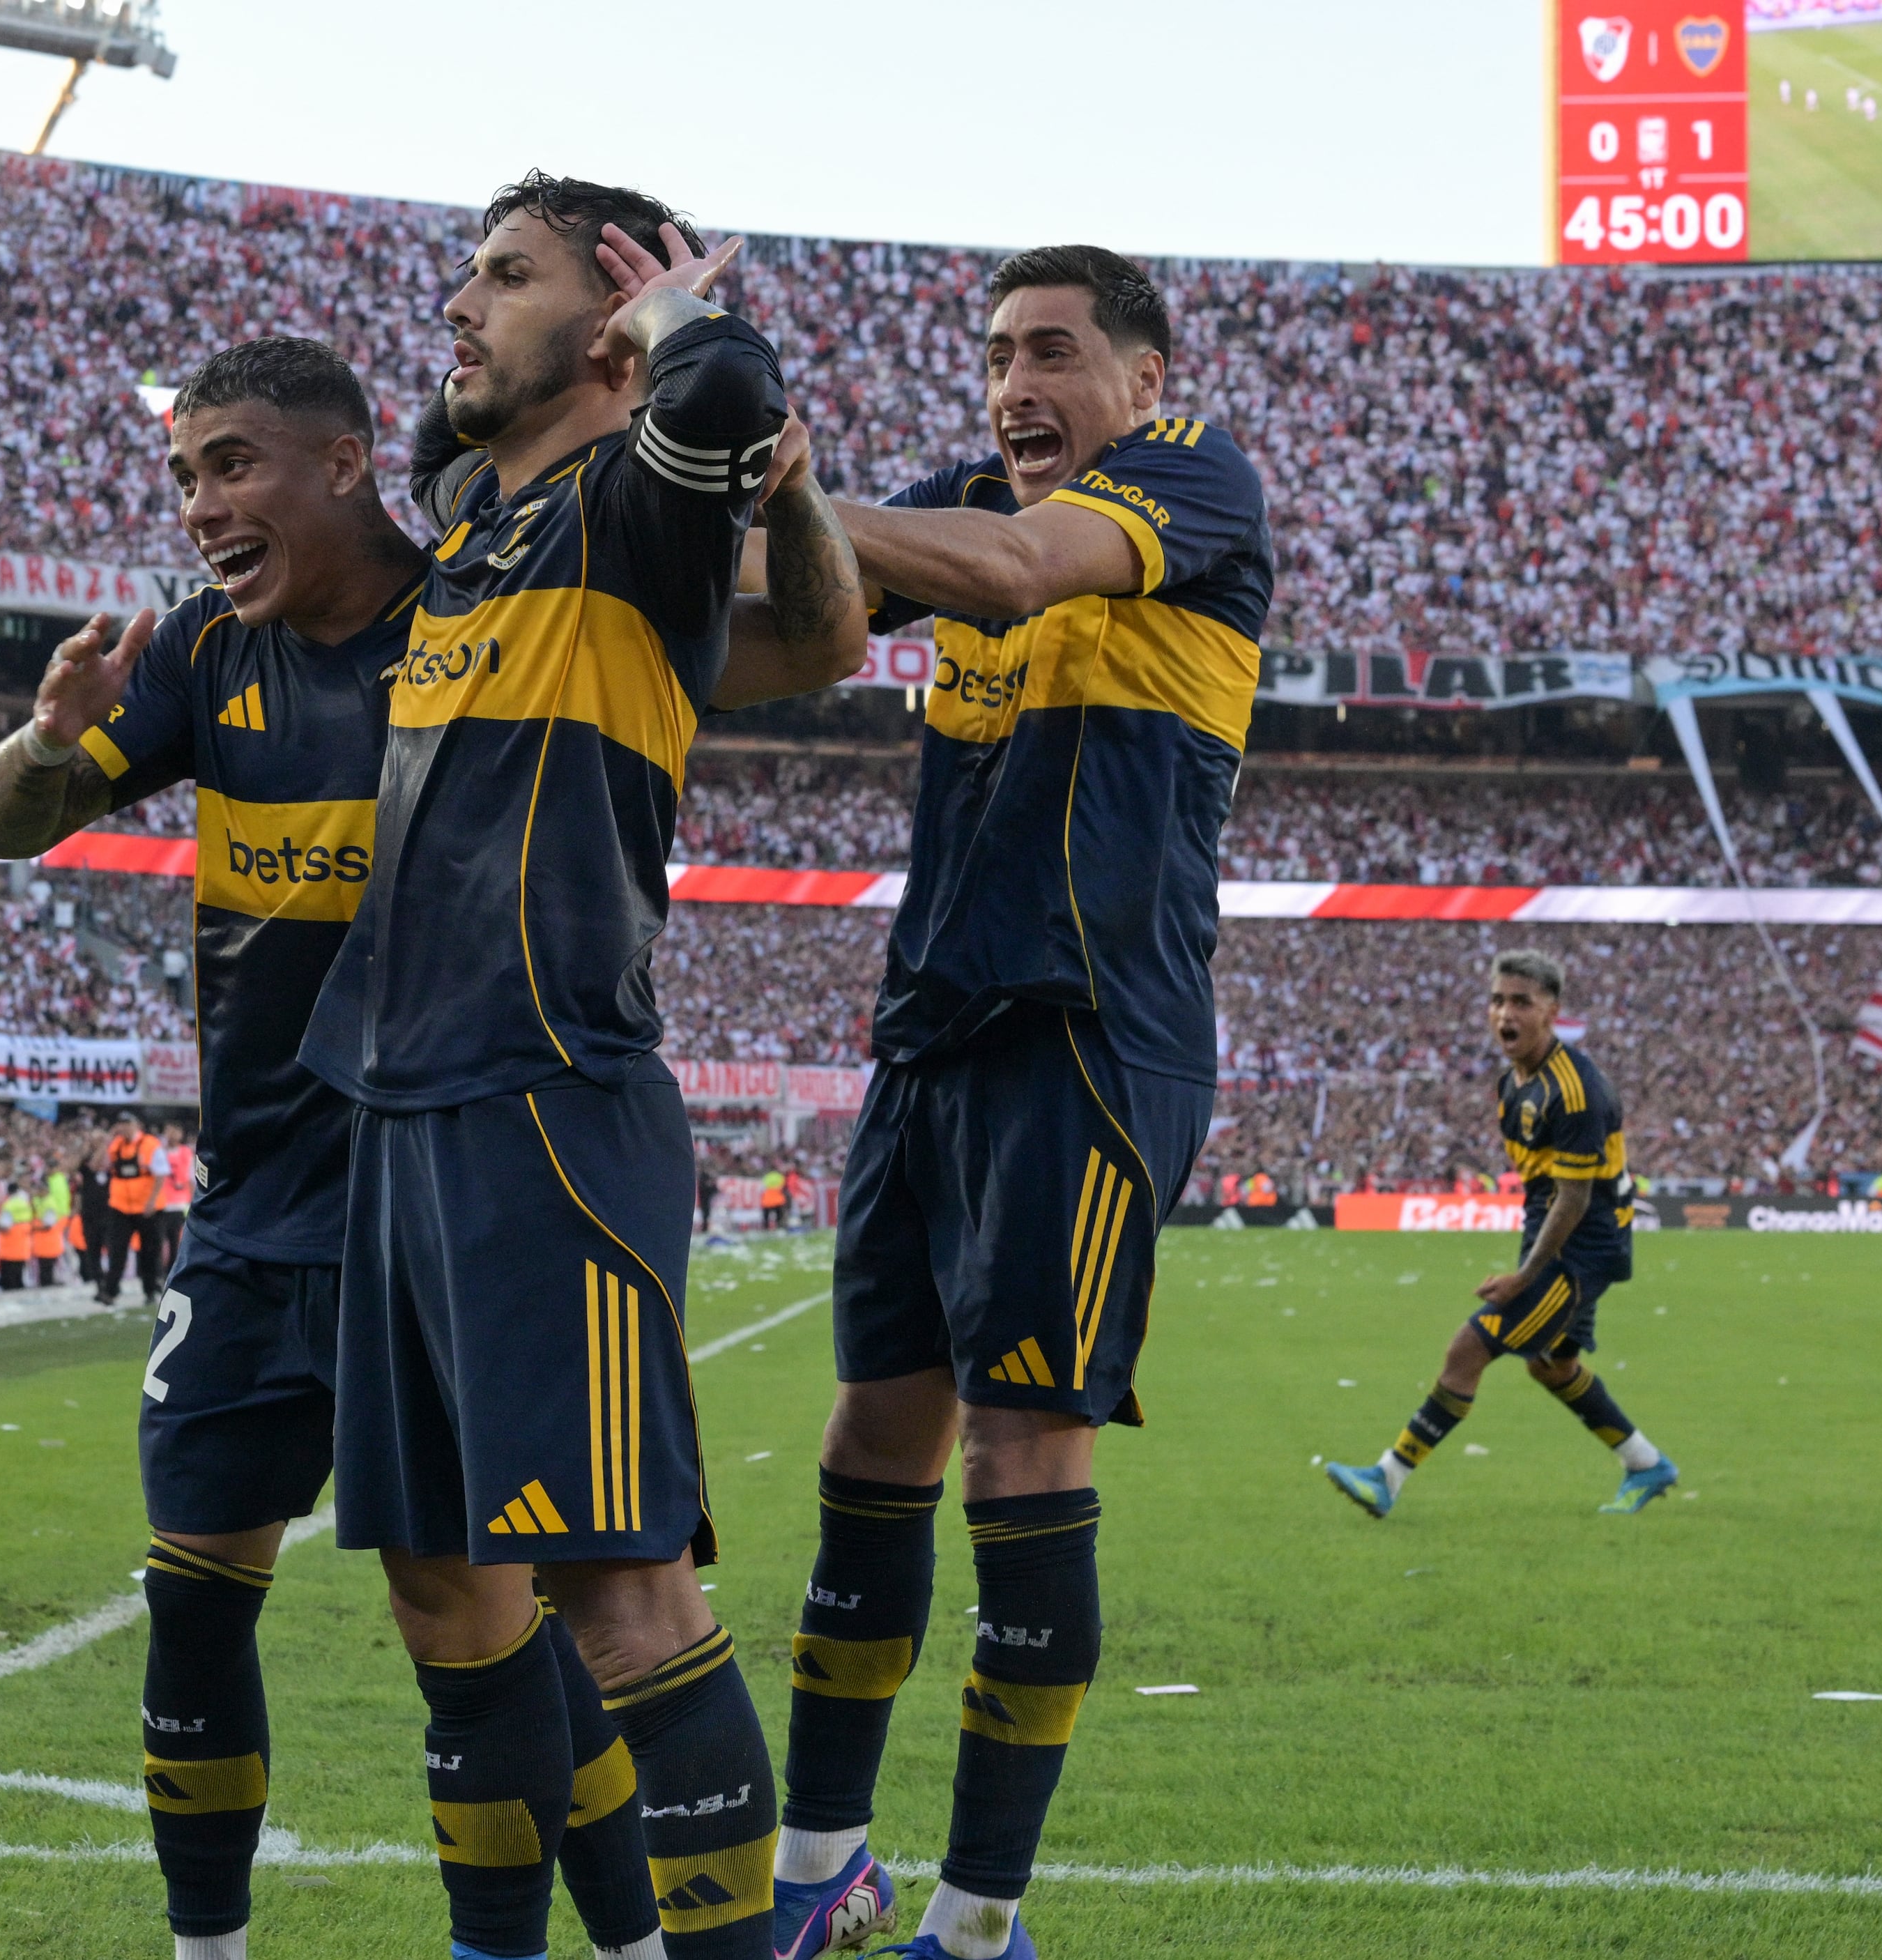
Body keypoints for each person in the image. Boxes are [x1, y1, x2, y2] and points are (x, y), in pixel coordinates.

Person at [0, 324, 834, 1960]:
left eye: (232, 466)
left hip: (436, 1191)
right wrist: (45, 734)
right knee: (191, 1585)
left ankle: (609, 1932)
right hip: (251, 1216)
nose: (200, 504)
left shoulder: (483, 615)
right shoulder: (197, 661)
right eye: (184, 476)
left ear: (348, 464)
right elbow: (9, 822)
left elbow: (800, 645)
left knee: (483, 1626)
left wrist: (791, 506)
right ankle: (208, 1943)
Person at [292, 176, 852, 1960]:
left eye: (504, 274)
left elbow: (723, 410)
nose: (457, 303)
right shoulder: (480, 512)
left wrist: (679, 321)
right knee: (443, 1586)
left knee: (624, 1590)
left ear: (606, 316)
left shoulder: (636, 505)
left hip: (544, 1090)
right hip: (395, 1107)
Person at [775, 245, 1275, 1960]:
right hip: (929, 1028)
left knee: (1019, 1449)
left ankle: (979, 1919)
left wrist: (797, 493)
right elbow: (788, 633)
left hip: (1087, 1025)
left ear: (1143, 374)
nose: (1014, 384)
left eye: (1052, 350)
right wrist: (677, 481)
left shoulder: (1189, 479)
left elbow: (1007, 573)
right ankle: (816, 1863)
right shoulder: (955, 492)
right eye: (994, 353)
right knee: (870, 1443)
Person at [1328, 953, 1674, 1519]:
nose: (1504, 1014)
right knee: (1551, 1366)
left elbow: (1574, 1198)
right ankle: (1646, 1463)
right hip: (1557, 1233)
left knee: (1468, 1349)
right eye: (1497, 1000)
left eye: (1521, 1002)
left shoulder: (1576, 1091)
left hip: (1583, 1249)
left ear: (1552, 1012)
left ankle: (1387, 1477)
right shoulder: (1512, 1084)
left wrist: (1524, 1277)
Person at [95, 1112, 157, 1306]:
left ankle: (150, 1291)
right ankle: (111, 1292)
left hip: (144, 1207)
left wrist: (152, 1202)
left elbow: (161, 1173)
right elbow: (97, 1165)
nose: (124, 1128)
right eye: (121, 1124)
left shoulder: (150, 1144)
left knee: (148, 1252)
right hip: (121, 1207)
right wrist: (105, 1142)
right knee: (117, 1251)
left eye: (127, 1124)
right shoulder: (116, 1145)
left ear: (136, 1124)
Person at [141, 1122, 194, 1298]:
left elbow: (191, 1179)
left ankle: (170, 1279)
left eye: (176, 1130)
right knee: (157, 1244)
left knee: (175, 1245)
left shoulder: (186, 1153)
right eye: (169, 1130)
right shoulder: (158, 1151)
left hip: (180, 1206)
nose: (172, 1134)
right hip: (162, 1206)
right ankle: (157, 1278)